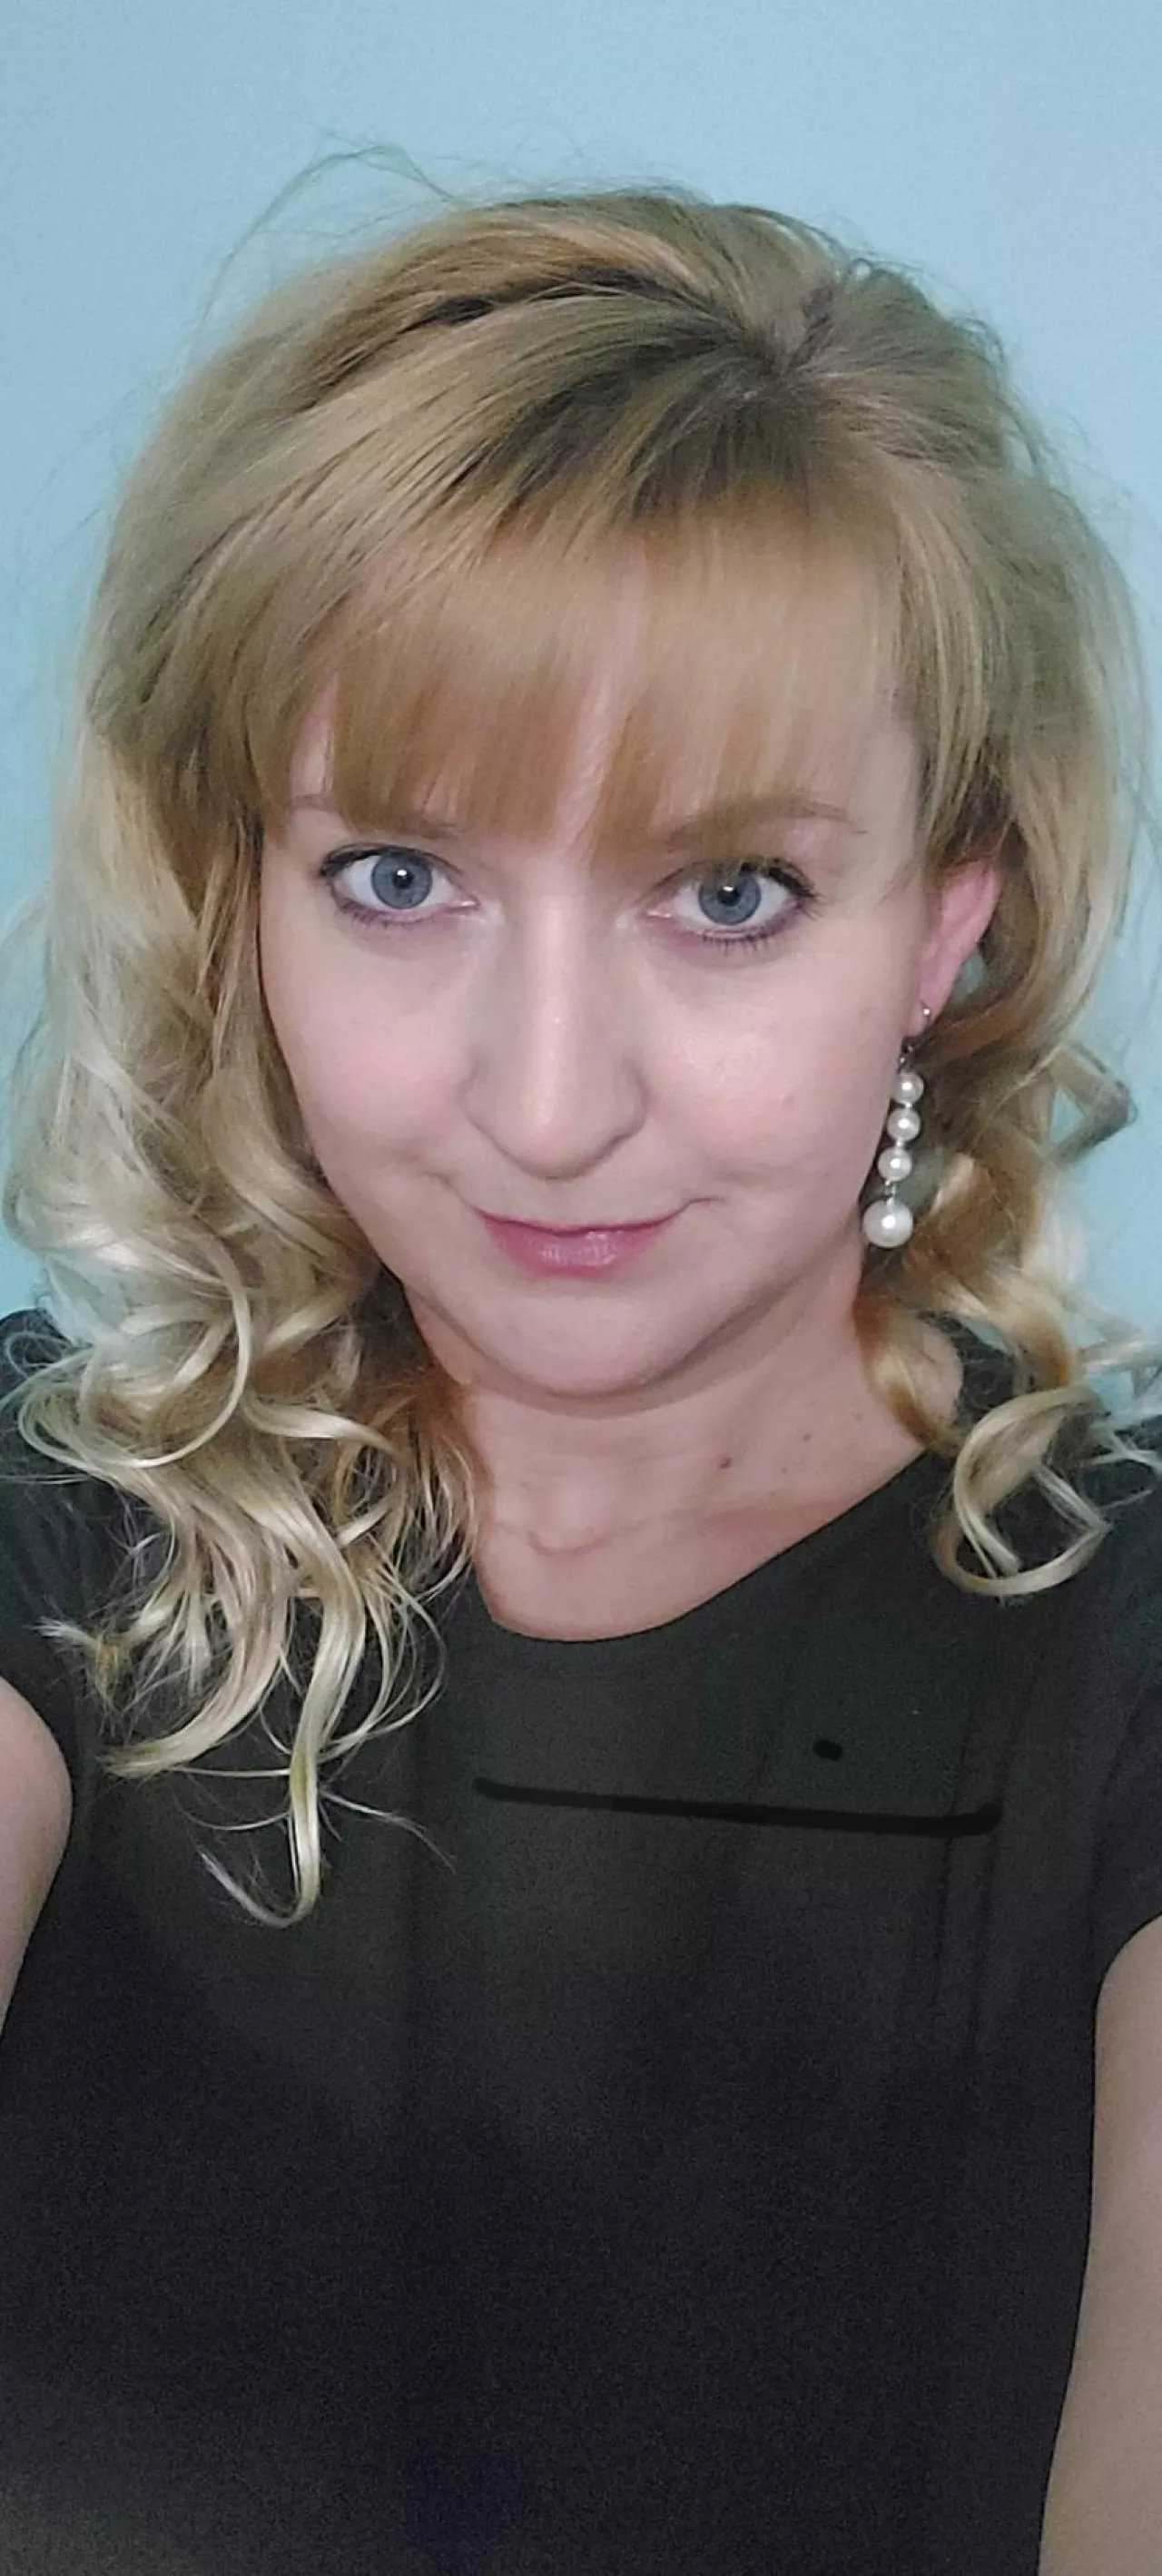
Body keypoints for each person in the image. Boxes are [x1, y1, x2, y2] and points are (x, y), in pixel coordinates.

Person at [0, 176, 1160, 2576]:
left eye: (729, 893)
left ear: (945, 920)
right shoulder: (51, 1530)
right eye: (397, 877)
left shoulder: (1127, 1662)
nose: (544, 1104)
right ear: (243, 897)